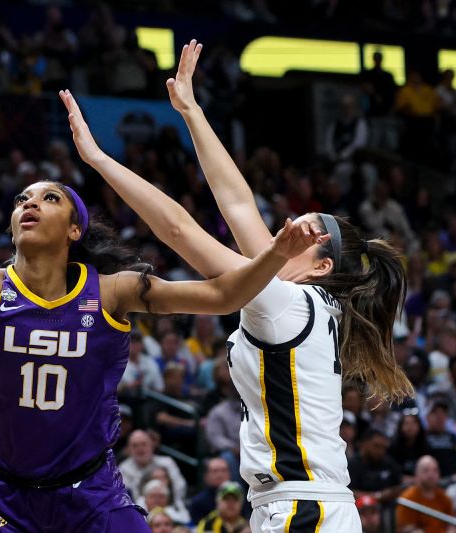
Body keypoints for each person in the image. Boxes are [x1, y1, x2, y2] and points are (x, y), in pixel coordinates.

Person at [0, 93, 323, 533]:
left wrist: (273, 255)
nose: (29, 204)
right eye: (22, 199)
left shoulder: (113, 292)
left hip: (89, 494)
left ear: (75, 229)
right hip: (2, 494)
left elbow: (224, 295)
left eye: (49, 197)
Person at [62, 39, 413, 532]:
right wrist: (191, 109)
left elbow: (180, 231)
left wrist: (99, 160)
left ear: (319, 266)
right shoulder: (306, 301)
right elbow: (240, 204)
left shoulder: (289, 304)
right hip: (300, 507)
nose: (283, 229)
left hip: (302, 511)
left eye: (301, 232)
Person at [395, 455, 456, 533]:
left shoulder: (445, 497)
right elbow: (405, 528)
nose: (431, 475)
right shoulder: (408, 499)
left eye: (435, 470)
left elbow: (452, 525)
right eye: (426, 470)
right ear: (417, 474)